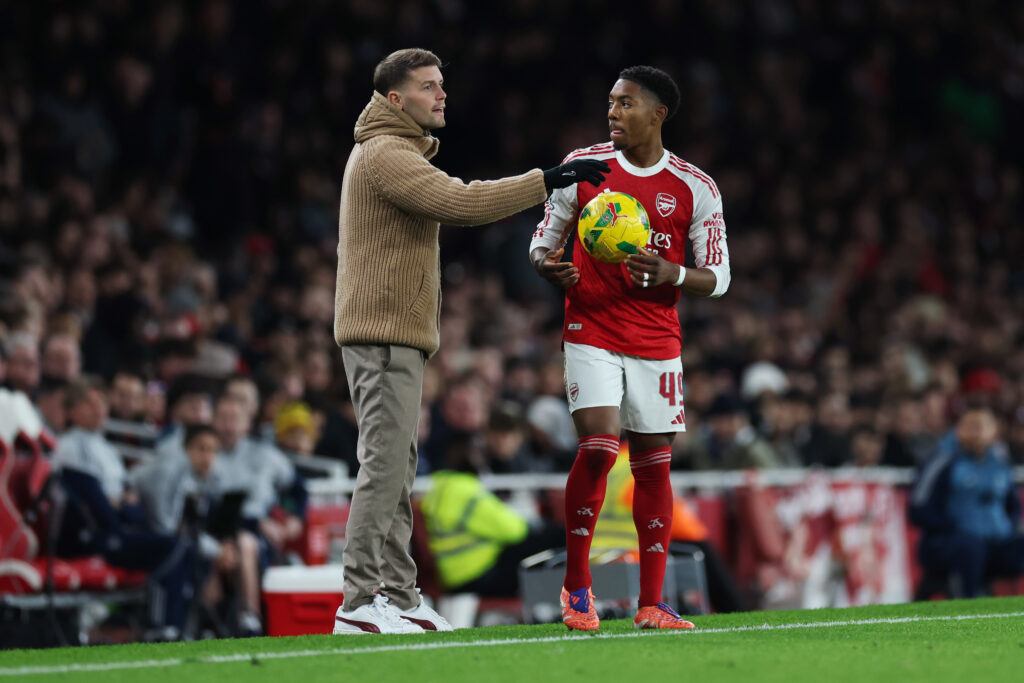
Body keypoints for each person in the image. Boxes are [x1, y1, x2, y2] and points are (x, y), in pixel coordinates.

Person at [331, 47, 608, 635]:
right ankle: (358, 601)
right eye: (428, 87)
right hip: (382, 337)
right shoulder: (384, 153)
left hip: (394, 335)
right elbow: (461, 201)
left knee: (397, 466)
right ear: (394, 100)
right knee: (384, 466)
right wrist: (547, 181)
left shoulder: (391, 151)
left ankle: (401, 595)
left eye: (441, 85)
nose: (441, 94)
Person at [529, 66, 731, 631]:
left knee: (653, 467)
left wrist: (674, 272)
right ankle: (577, 588)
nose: (612, 111)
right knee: (597, 446)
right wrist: (550, 268)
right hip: (591, 326)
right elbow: (541, 244)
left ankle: (652, 602)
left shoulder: (696, 187)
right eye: (610, 102)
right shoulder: (584, 168)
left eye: (625, 103)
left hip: (656, 338)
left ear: (657, 114)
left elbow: (719, 277)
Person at [51, 379, 195, 640]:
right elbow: (96, 506)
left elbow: (134, 504)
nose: (98, 409)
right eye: (89, 403)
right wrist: (121, 507)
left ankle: (161, 624)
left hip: (117, 529)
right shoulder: (70, 446)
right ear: (71, 411)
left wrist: (122, 507)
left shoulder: (106, 448)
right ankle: (160, 626)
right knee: (172, 547)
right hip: (92, 537)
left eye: (101, 403)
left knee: (185, 547)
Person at [420, 432, 564, 596]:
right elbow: (514, 530)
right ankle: (567, 602)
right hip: (476, 574)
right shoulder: (465, 490)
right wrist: (538, 526)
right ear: (467, 454)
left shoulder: (441, 485)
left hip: (454, 574)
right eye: (478, 451)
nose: (482, 456)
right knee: (555, 536)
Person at [909, 406, 1024, 598]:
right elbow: (917, 509)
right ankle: (966, 603)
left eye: (982, 426)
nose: (976, 432)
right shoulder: (943, 461)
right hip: (947, 543)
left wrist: (1007, 527)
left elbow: (1013, 507)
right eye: (970, 425)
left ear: (994, 430)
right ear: (958, 429)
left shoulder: (1000, 464)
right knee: (970, 546)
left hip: (994, 541)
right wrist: (954, 526)